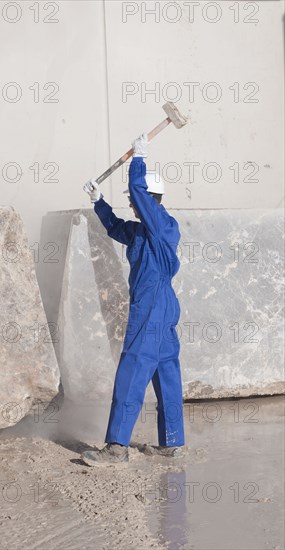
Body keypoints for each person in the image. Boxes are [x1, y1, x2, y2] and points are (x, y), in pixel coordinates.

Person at [81, 133, 185, 466]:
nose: (130, 203)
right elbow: (114, 227)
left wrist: (139, 158)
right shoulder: (141, 230)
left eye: (133, 198)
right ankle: (172, 442)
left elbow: (139, 195)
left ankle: (116, 447)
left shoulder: (162, 226)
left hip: (152, 307)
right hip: (162, 307)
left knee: (132, 368)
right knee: (166, 370)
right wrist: (99, 202)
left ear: (150, 198)